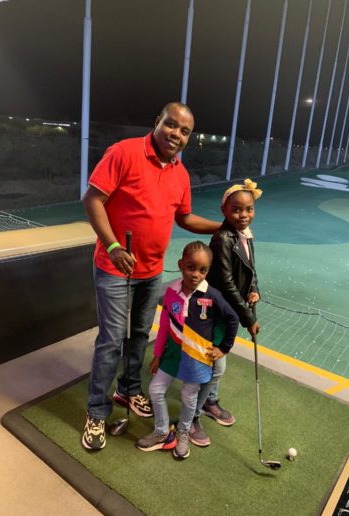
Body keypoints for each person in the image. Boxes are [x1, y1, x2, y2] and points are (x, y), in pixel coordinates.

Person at [81, 102, 221, 451]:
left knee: (140, 335)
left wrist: (225, 226)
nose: (176, 134)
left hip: (152, 270)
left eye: (185, 131)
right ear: (156, 122)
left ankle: (128, 391)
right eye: (171, 125)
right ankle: (96, 412)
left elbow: (185, 218)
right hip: (114, 266)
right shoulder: (124, 152)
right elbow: (92, 199)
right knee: (112, 339)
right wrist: (113, 245)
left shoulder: (180, 174)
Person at [136, 241, 239, 460]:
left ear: (208, 271)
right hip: (172, 355)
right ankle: (162, 431)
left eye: (202, 270)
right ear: (181, 264)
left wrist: (223, 348)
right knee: (155, 389)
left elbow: (232, 318)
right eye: (190, 267)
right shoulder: (171, 291)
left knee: (188, 396)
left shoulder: (212, 296)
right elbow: (164, 325)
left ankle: (183, 431)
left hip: (196, 358)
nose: (195, 275)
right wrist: (157, 354)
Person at [190, 179, 263, 447]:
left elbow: (250, 270)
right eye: (236, 210)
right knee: (213, 366)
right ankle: (192, 417)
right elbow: (227, 283)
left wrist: (254, 290)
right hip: (217, 310)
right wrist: (249, 318)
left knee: (216, 366)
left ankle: (210, 402)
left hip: (231, 310)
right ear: (224, 210)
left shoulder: (245, 234)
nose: (243, 215)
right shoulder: (222, 238)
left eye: (249, 209)